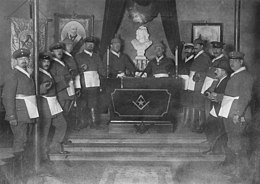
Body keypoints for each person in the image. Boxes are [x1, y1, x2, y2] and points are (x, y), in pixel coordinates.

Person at [219, 51, 254, 182]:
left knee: (239, 145)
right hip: (230, 113)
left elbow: (245, 97)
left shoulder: (245, 76)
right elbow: (231, 96)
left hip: (238, 115)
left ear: (241, 62)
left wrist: (238, 114)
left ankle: (242, 175)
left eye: (235, 61)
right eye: (230, 61)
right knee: (233, 144)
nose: (232, 63)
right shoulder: (235, 75)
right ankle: (237, 171)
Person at [2, 48, 39, 153]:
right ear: (16, 61)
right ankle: (18, 168)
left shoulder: (27, 74)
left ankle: (23, 166)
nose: (24, 60)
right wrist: (11, 116)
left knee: (26, 140)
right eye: (20, 58)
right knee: (20, 140)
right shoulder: (13, 74)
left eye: (26, 58)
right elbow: (7, 97)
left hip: (29, 110)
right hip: (19, 113)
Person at [38, 52, 69, 164]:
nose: (46, 63)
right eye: (43, 61)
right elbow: (37, 90)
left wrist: (65, 80)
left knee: (62, 124)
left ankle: (54, 147)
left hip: (54, 102)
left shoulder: (47, 72)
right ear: (39, 62)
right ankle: (42, 156)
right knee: (45, 131)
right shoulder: (38, 74)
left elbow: (54, 88)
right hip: (45, 103)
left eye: (48, 61)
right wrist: (42, 88)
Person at [75, 36, 106, 130]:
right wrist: (81, 69)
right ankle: (83, 122)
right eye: (88, 44)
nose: (90, 45)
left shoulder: (96, 56)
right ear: (84, 45)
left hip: (95, 83)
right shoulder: (78, 56)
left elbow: (101, 69)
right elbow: (74, 70)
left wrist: (105, 74)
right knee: (83, 103)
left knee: (94, 103)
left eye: (92, 44)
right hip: (84, 83)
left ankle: (94, 123)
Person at [203, 60, 230, 155]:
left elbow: (228, 96)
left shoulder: (228, 81)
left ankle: (217, 150)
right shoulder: (217, 80)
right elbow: (207, 91)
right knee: (210, 127)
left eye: (217, 70)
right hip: (214, 109)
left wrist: (217, 96)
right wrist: (209, 94)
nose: (215, 72)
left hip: (222, 109)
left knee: (219, 130)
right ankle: (214, 149)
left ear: (223, 71)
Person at [187, 37, 211, 133]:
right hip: (194, 83)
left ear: (202, 46)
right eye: (194, 44)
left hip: (199, 83)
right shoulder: (197, 56)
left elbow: (207, 71)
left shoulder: (204, 57)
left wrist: (199, 75)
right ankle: (196, 124)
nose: (195, 46)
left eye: (197, 44)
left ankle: (201, 125)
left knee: (200, 105)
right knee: (195, 104)